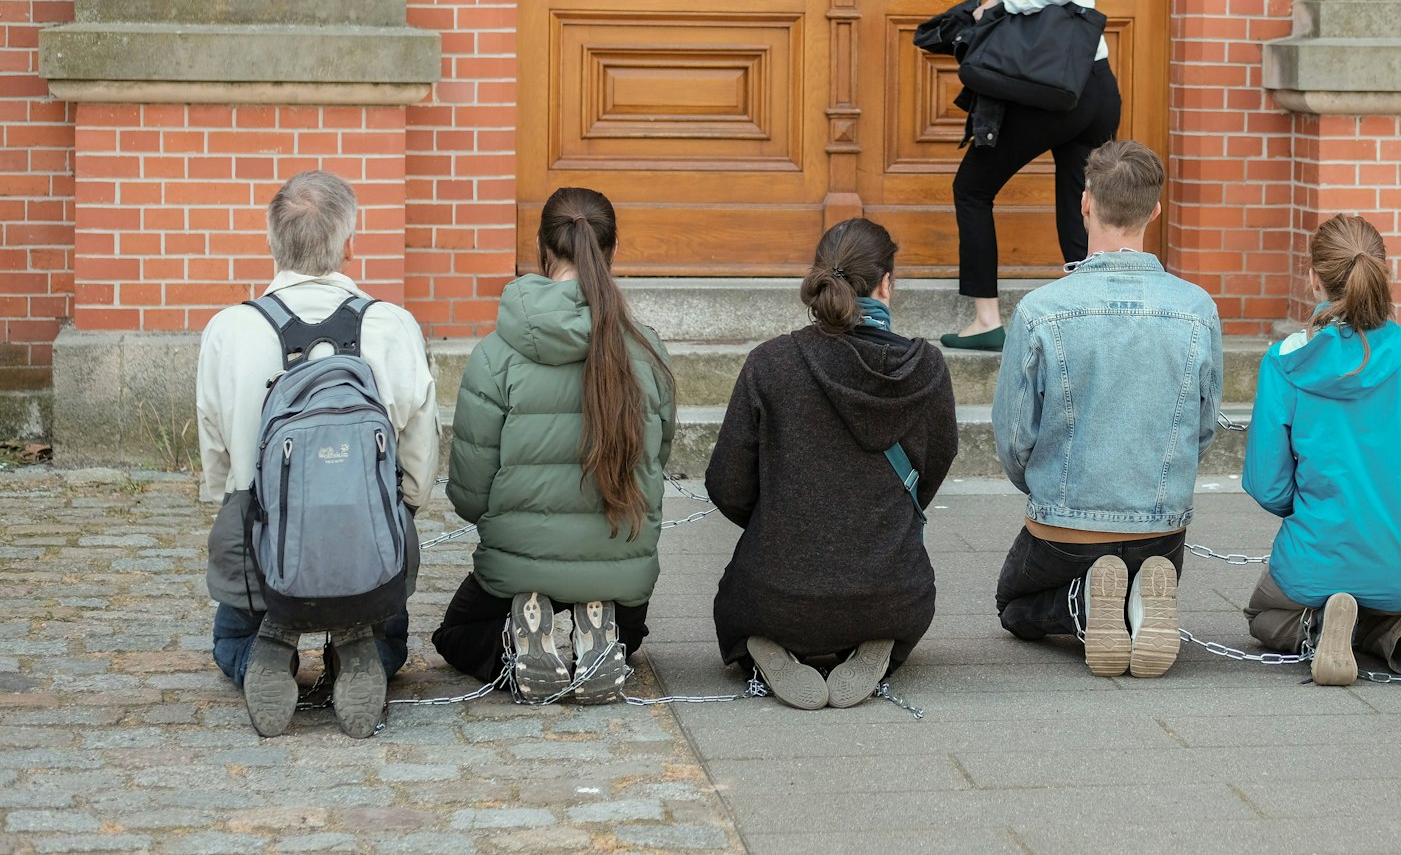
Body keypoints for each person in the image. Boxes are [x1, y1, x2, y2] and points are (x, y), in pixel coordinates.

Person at [197, 170, 440, 738]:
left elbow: (217, 455)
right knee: (391, 641)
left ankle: (265, 650)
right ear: (348, 244)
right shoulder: (392, 324)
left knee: (228, 640)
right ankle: (361, 648)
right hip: (368, 547)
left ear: (272, 242)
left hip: (262, 543)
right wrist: (402, 508)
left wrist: (234, 500)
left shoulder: (229, 329)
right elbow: (419, 453)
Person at [875, 0, 1122, 351]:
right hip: (1094, 85)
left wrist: (999, 5)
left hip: (1052, 92)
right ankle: (1093, 319)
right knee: (1080, 202)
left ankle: (986, 321)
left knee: (972, 189)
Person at [432, 187, 676, 703]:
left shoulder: (495, 354)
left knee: (456, 635)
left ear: (543, 248)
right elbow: (657, 462)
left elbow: (470, 493)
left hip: (518, 561)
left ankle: (520, 635)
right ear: (612, 250)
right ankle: (599, 622)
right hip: (619, 559)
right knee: (630, 641)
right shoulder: (646, 349)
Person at [990, 141, 1222, 678]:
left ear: (1086, 202)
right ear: (1155, 211)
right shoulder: (1198, 309)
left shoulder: (1040, 310)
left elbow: (1015, 438)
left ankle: (1087, 606)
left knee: (1014, 606)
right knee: (1145, 565)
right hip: (1159, 530)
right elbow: (1203, 427)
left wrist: (1044, 488)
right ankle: (1135, 603)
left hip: (1066, 529)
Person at [706, 218, 959, 710]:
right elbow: (933, 468)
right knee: (901, 602)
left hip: (774, 596)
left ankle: (768, 645)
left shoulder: (770, 363)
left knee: (740, 606)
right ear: (887, 284)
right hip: (891, 594)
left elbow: (726, 483)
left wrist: (780, 516)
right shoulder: (926, 368)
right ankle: (875, 640)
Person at [1241, 215, 1401, 686]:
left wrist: (1314, 508)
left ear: (1313, 278)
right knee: (1387, 601)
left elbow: (1267, 484)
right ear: (1384, 273)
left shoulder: (1286, 362)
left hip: (1317, 557)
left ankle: (1322, 625)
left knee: (1263, 616)